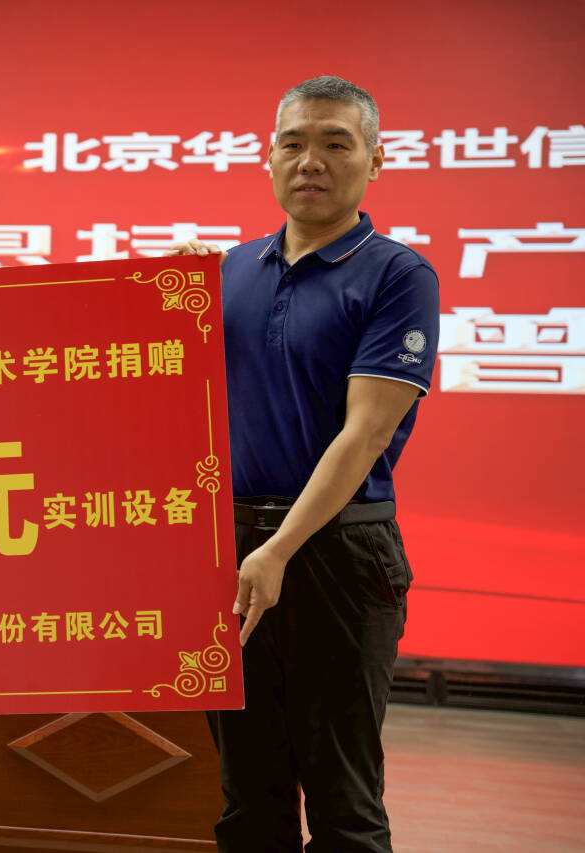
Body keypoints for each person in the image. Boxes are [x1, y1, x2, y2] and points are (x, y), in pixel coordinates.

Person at [169, 76, 440, 852]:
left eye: (334, 143)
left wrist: (279, 548)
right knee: (247, 801)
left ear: (375, 161)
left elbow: (364, 434)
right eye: (292, 143)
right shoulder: (228, 271)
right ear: (269, 157)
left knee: (343, 804)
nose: (310, 161)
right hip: (233, 551)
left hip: (339, 555)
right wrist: (169, 295)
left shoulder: (397, 275)